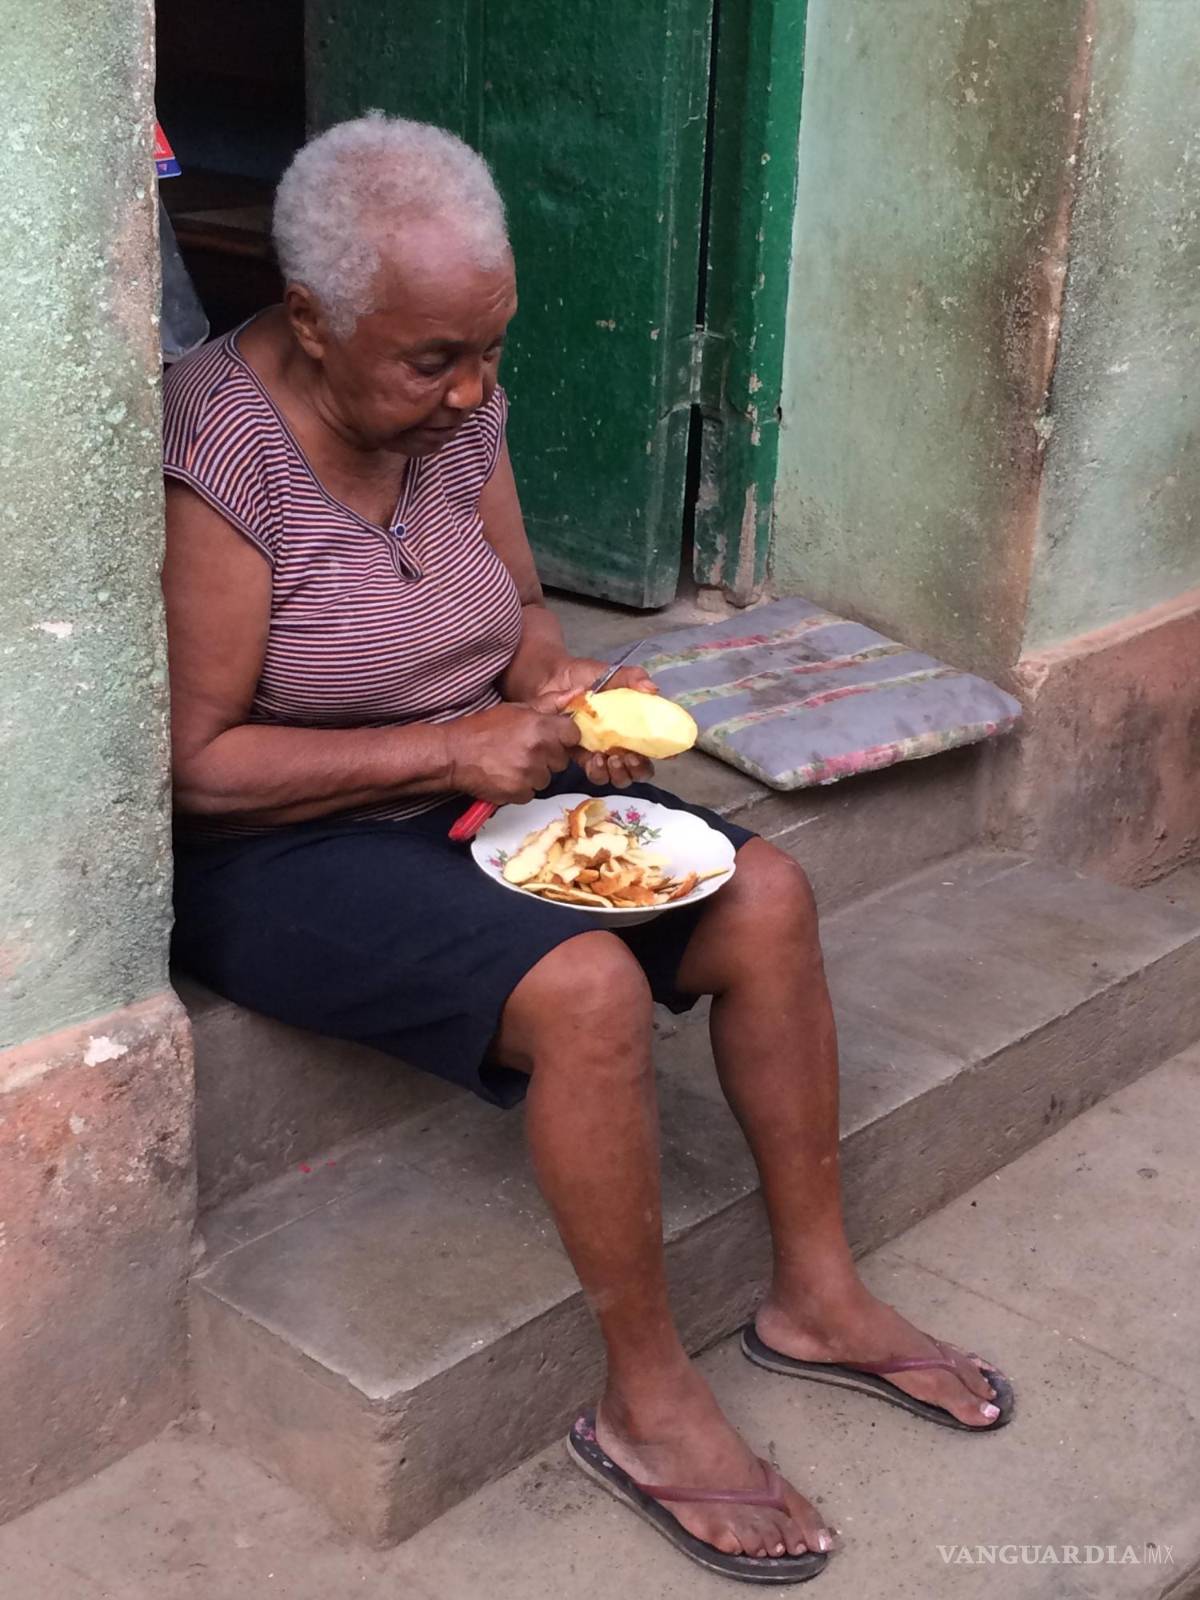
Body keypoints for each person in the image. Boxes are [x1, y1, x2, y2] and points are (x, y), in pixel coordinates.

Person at [162, 114, 1012, 1584]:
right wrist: (448, 747)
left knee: (766, 893)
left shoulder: (455, 411)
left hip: (477, 791)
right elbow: (195, 769)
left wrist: (556, 694)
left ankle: (814, 1294)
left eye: (488, 350)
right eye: (432, 360)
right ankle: (649, 1397)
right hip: (278, 850)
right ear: (310, 318)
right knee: (586, 993)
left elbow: (525, 610)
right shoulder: (218, 456)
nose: (474, 391)